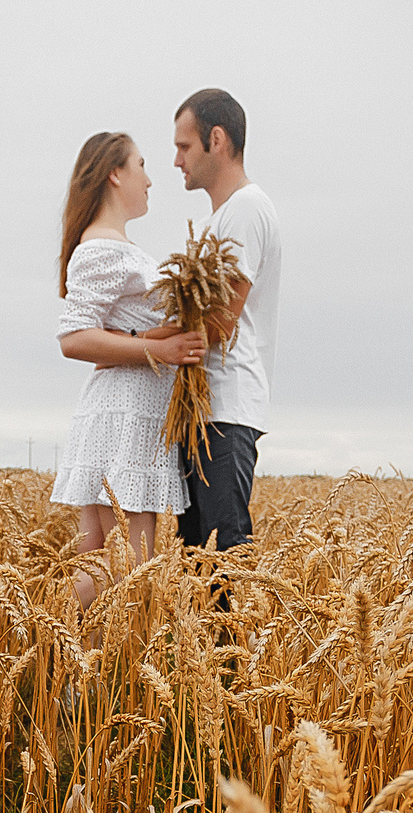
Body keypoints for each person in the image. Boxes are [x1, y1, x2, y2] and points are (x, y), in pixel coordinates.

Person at [51, 131, 207, 608]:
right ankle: (76, 673)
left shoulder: (111, 246)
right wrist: (160, 351)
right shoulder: (103, 249)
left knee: (97, 567)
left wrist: (154, 340)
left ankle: (70, 676)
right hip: (125, 417)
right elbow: (75, 339)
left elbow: (108, 344)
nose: (151, 179)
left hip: (119, 411)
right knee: (131, 575)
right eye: (141, 165)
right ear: (115, 174)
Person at [171, 88, 281, 560]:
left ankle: (236, 640)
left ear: (216, 139)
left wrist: (138, 342)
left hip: (226, 409)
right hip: (205, 411)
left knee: (224, 563)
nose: (176, 161)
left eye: (183, 146)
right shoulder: (223, 217)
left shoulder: (246, 208)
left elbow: (219, 321)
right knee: (198, 562)